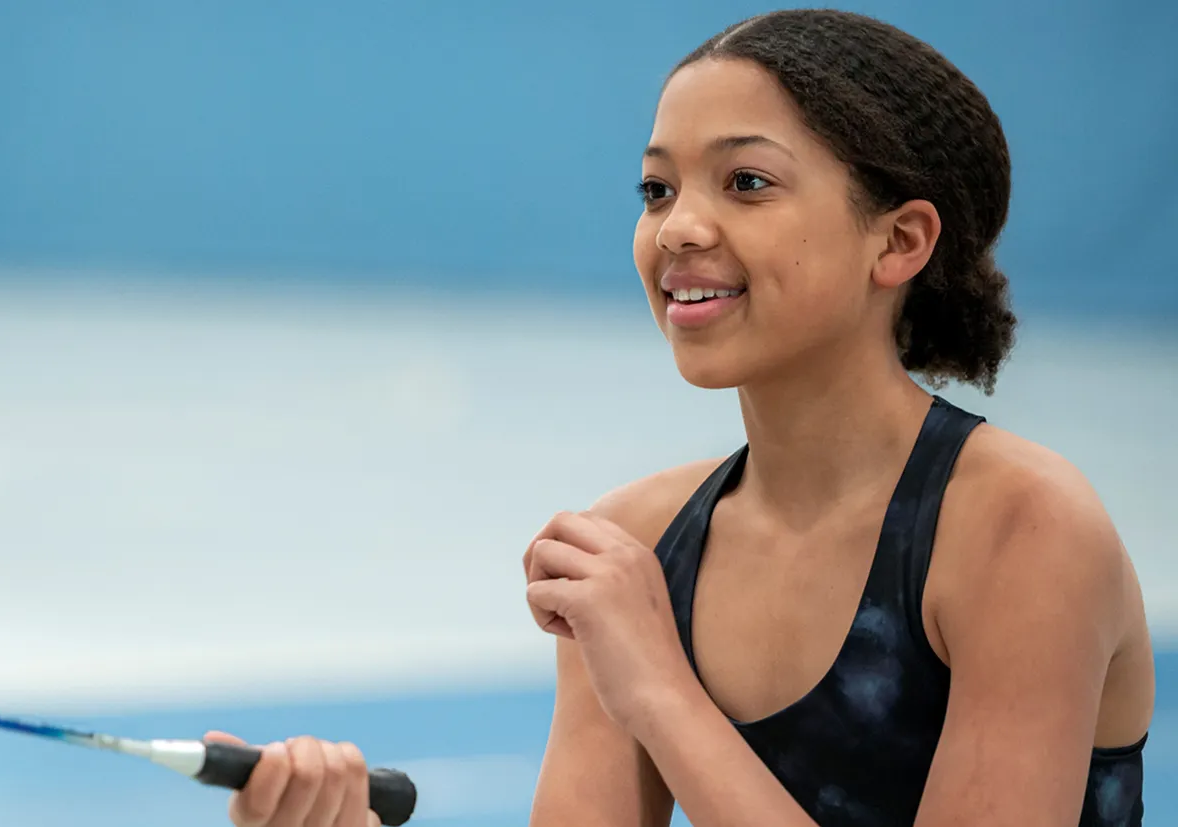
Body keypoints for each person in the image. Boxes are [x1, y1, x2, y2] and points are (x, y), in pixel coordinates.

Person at [204, 9, 1153, 827]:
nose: (677, 229)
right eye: (658, 189)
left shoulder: (1023, 530)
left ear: (898, 240)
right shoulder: (636, 547)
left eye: (745, 183)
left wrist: (658, 688)